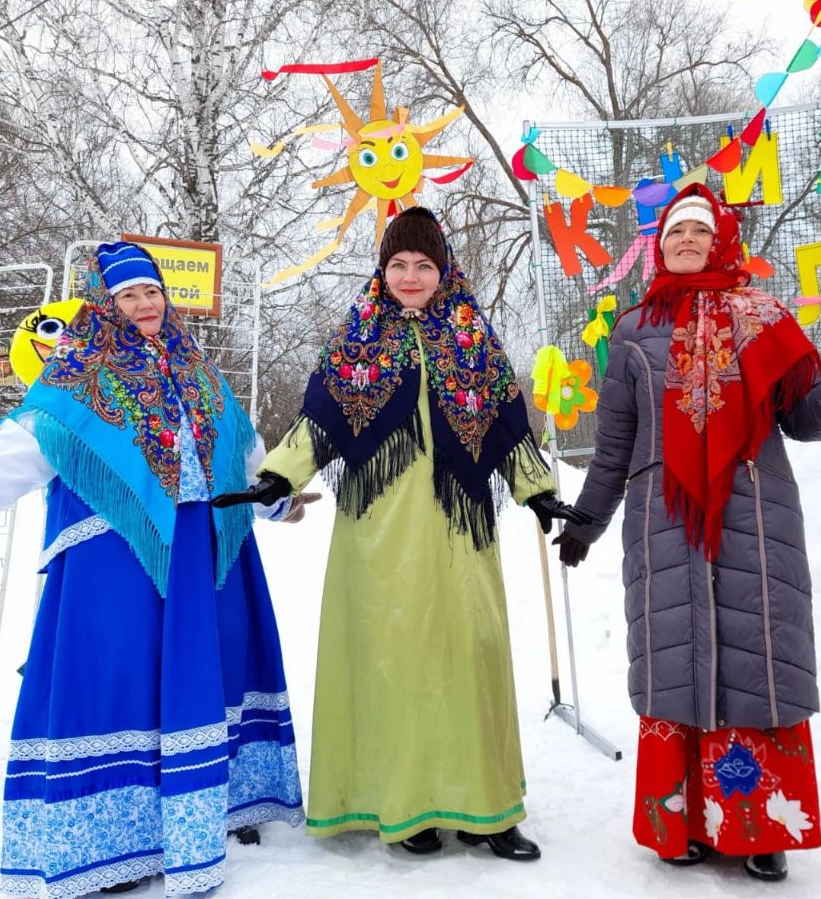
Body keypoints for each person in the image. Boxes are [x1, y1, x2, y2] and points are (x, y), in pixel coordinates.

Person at [0, 242, 309, 898]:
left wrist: (279, 498)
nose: (145, 304)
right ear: (103, 303)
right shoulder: (76, 376)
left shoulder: (197, 368)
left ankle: (206, 814)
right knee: (114, 683)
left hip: (199, 553)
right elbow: (25, 444)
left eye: (151, 291)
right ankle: (107, 843)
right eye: (128, 295)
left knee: (201, 678)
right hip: (115, 558)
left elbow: (239, 450)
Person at [552, 184, 821, 882]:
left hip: (755, 512)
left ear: (721, 238)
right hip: (663, 518)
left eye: (697, 231)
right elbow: (614, 445)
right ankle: (682, 821)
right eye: (672, 235)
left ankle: (760, 825)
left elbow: (807, 420)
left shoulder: (764, 316)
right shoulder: (632, 329)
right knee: (674, 659)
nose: (684, 242)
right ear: (658, 249)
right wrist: (588, 520)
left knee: (759, 659)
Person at [215, 206, 587, 861]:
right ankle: (405, 804)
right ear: (382, 272)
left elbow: (508, 432)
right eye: (398, 265)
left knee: (472, 656)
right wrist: (278, 476)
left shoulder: (473, 339)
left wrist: (540, 492)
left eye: (423, 265)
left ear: (443, 271)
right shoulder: (356, 340)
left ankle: (486, 811)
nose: (410, 276)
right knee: (396, 666)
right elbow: (318, 425)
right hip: (378, 534)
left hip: (458, 532)